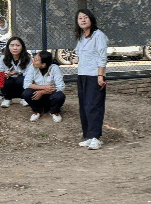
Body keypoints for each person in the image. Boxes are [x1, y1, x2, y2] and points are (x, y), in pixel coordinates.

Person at [74, 9, 108, 150]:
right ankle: (88, 136)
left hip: (95, 76)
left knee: (93, 106)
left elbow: (102, 57)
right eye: (80, 18)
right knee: (84, 106)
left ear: (91, 19)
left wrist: (100, 75)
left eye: (85, 17)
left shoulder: (99, 35)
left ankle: (96, 138)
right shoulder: (81, 36)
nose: (83, 20)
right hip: (82, 75)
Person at [22, 50, 67, 122]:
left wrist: (43, 92)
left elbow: (61, 86)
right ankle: (38, 110)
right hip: (37, 95)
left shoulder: (54, 68)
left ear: (43, 64)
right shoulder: (32, 67)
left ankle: (54, 111)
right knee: (26, 93)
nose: (33, 61)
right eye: (34, 59)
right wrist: (44, 88)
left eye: (36, 60)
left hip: (51, 95)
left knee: (60, 96)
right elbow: (26, 84)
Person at [0, 37, 30, 107]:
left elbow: (30, 74)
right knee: (2, 78)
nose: (15, 48)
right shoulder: (3, 58)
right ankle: (7, 98)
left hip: (21, 83)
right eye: (12, 45)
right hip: (9, 81)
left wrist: (18, 73)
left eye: (18, 45)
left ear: (22, 47)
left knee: (21, 79)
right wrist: (4, 74)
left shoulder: (28, 58)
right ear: (8, 47)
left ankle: (24, 98)